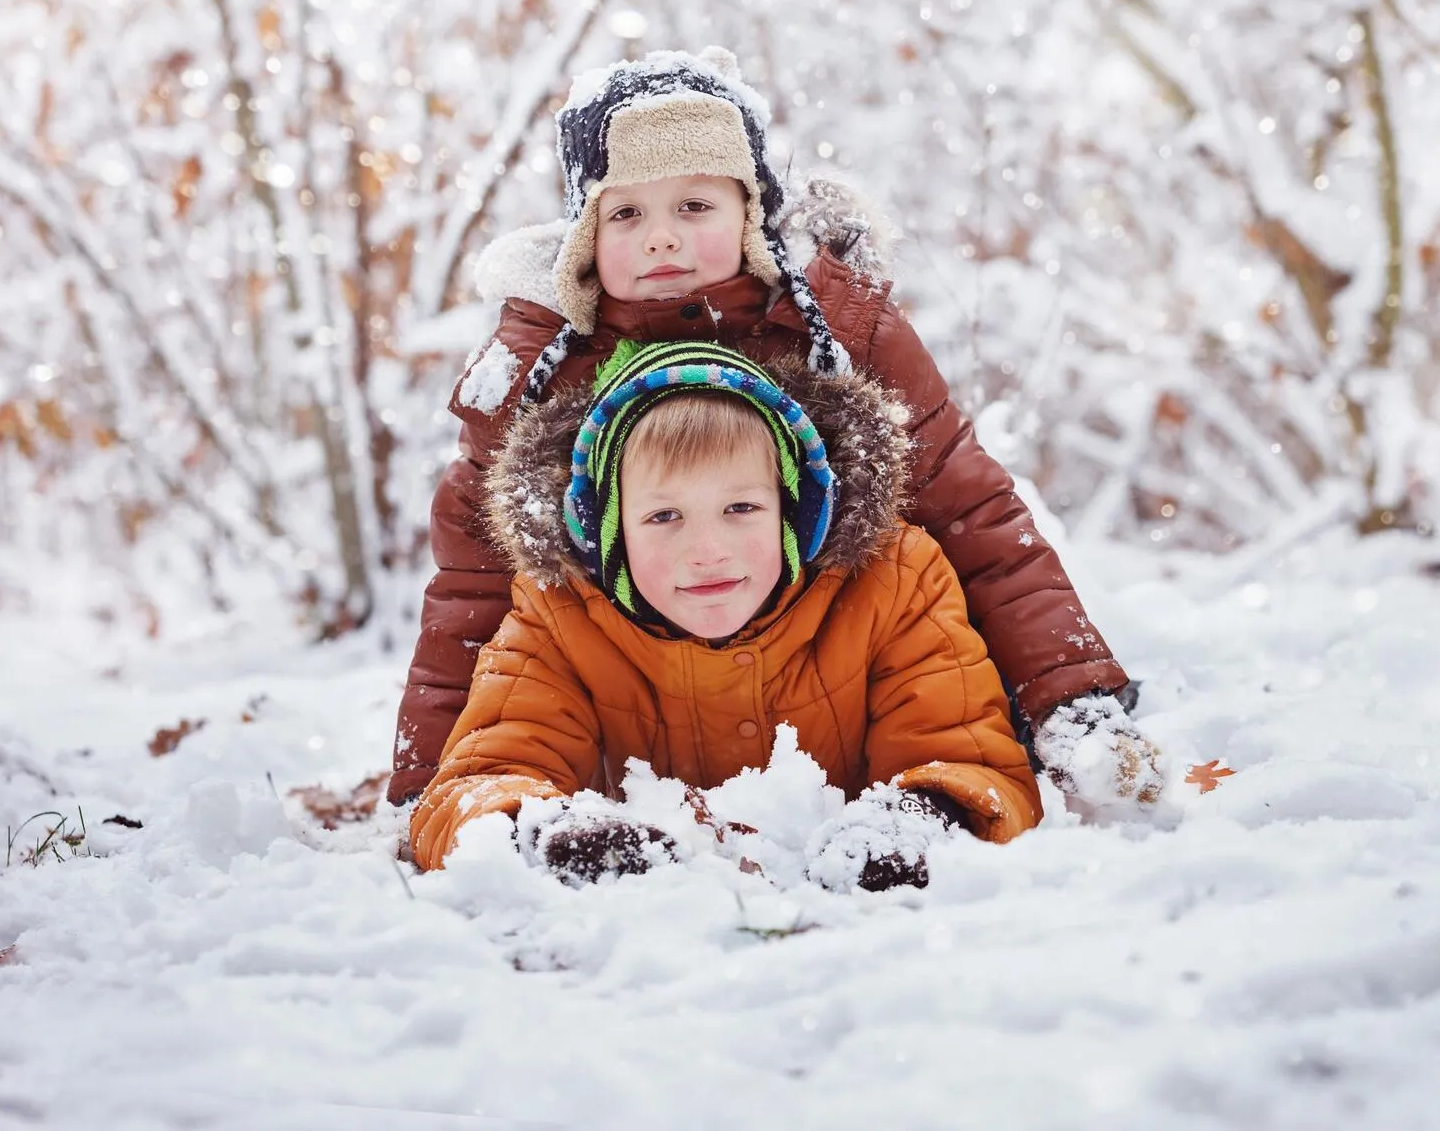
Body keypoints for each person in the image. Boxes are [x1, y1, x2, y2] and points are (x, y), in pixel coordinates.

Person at [391, 45, 1160, 816]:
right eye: (626, 212)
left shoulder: (842, 337)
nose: (662, 238)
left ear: (751, 215)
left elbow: (975, 519)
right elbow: (474, 593)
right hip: (636, 716)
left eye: (695, 206)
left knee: (907, 565)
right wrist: (430, 789)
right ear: (585, 235)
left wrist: (1070, 700)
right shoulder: (541, 373)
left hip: (834, 699)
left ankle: (934, 795)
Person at [408, 342, 1040, 888]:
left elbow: (971, 761)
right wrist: (546, 833)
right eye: (663, 516)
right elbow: (485, 775)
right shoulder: (562, 614)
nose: (708, 552)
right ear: (611, 530)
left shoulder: (891, 582)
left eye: (740, 508)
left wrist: (921, 820)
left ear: (792, 506)